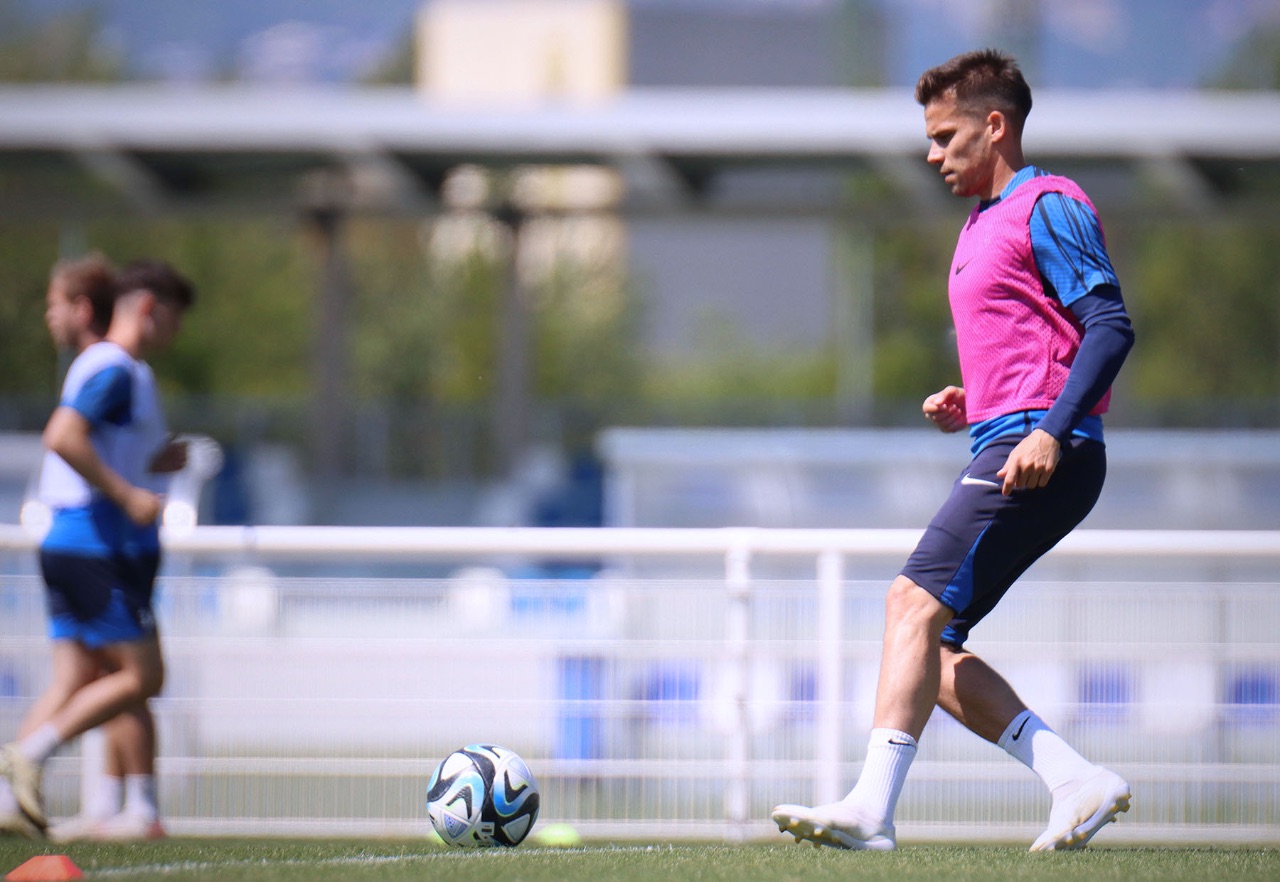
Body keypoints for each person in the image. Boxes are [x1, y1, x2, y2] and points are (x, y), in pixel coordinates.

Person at [771, 49, 1136, 853]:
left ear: (994, 125)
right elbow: (1043, 342)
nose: (933, 154)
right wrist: (979, 400)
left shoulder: (1048, 203)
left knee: (909, 603)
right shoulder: (981, 223)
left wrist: (1047, 428)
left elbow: (1110, 326)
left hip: (1043, 451)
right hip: (1014, 435)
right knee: (928, 650)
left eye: (945, 136)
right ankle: (1074, 780)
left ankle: (872, 811)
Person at [0, 259, 195, 841]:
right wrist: (129, 494)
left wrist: (151, 465)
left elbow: (105, 447)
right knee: (143, 677)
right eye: (175, 317)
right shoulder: (114, 367)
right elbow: (63, 436)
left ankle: (13, 798)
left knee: (80, 679)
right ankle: (28, 757)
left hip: (82, 543)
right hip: (95, 546)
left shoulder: (120, 369)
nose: (177, 331)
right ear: (149, 308)